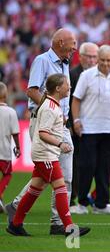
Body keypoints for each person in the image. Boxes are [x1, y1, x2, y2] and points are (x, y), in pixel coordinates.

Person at [5, 28, 77, 235]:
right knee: (58, 176)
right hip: (45, 122)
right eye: (72, 43)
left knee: (47, 176)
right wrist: (51, 108)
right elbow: (32, 90)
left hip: (59, 123)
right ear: (61, 42)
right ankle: (60, 223)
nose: (74, 47)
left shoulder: (65, 63)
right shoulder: (42, 60)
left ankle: (18, 210)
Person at [6, 74, 90, 237]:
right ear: (58, 88)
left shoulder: (51, 105)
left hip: (44, 154)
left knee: (34, 190)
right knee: (61, 188)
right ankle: (69, 228)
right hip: (46, 155)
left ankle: (16, 224)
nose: (69, 87)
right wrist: (60, 144)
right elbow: (43, 133)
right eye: (67, 85)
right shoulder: (50, 108)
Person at [72, 44, 110, 214]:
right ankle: (82, 202)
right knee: (87, 166)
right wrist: (76, 120)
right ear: (97, 59)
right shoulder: (86, 75)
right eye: (102, 60)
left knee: (105, 168)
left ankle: (102, 204)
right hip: (89, 128)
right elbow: (76, 99)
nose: (105, 64)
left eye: (109, 61)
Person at [68, 42, 99, 214]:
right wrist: (71, 124)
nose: (93, 60)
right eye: (89, 56)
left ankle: (86, 196)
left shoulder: (97, 75)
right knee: (75, 165)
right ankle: (73, 198)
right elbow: (67, 102)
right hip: (76, 128)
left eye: (95, 56)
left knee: (90, 165)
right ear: (80, 56)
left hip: (93, 127)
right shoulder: (73, 75)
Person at [0, 82, 20, 212]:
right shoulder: (10, 112)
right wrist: (18, 147)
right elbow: (15, 133)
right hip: (3, 151)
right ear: (6, 95)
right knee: (7, 174)